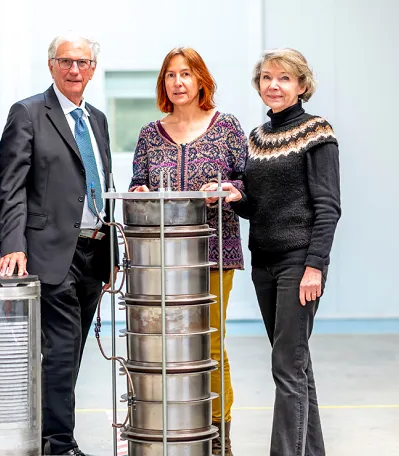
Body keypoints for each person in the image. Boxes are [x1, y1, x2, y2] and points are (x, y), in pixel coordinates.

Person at [206, 48, 341, 456]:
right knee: (295, 365)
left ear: (301, 85)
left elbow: (328, 207)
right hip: (263, 264)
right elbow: (258, 204)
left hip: (298, 264)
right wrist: (234, 197)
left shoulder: (317, 132)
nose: (274, 85)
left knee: (287, 367)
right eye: (266, 77)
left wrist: (315, 266)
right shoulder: (257, 139)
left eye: (284, 78)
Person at [0, 31, 116, 456]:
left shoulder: (96, 118)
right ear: (51, 66)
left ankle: (49, 434)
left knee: (72, 352)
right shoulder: (28, 113)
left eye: (82, 63)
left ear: (93, 69)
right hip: (49, 253)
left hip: (93, 252)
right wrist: (13, 244)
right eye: (65, 61)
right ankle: (57, 444)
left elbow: (102, 184)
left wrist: (113, 252)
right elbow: (9, 186)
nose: (74, 70)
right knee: (62, 350)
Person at [128, 47, 247, 456]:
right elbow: (138, 184)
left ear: (201, 81)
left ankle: (218, 437)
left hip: (214, 254)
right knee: (164, 347)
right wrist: (139, 191)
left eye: (186, 74)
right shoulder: (148, 133)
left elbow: (247, 185)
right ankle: (172, 430)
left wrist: (230, 191)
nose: (178, 82)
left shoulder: (227, 127)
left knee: (209, 345)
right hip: (159, 263)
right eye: (170, 76)